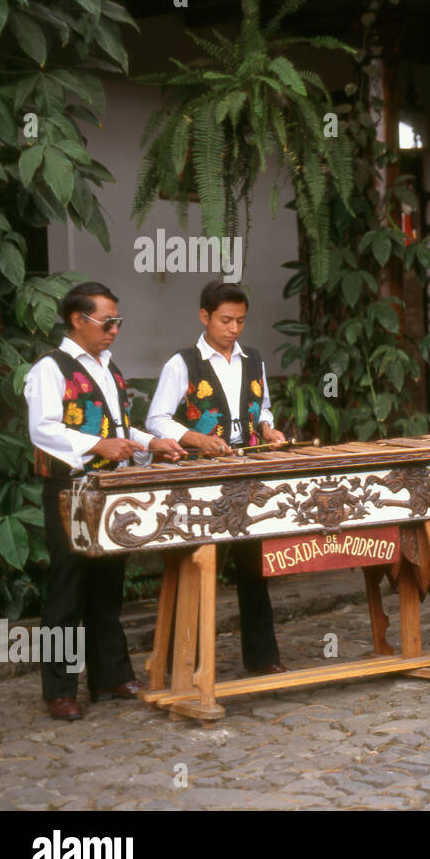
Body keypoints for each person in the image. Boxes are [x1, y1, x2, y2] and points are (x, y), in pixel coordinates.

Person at [25, 282, 186, 720]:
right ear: (78, 320)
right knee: (66, 590)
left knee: (106, 587)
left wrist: (156, 442)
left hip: (110, 491)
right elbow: (43, 428)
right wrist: (99, 445)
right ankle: (59, 690)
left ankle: (110, 677)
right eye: (107, 322)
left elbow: (121, 428)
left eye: (119, 322)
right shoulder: (50, 368)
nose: (115, 329)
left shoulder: (108, 367)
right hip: (70, 490)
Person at [147, 280, 287, 676]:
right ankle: (181, 663)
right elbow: (156, 420)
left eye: (241, 321)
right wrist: (196, 439)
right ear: (204, 317)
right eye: (226, 320)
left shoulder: (253, 358)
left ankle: (263, 659)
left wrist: (269, 428)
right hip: (200, 478)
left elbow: (263, 408)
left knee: (254, 567)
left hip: (246, 473)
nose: (234, 329)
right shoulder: (183, 362)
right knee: (195, 566)